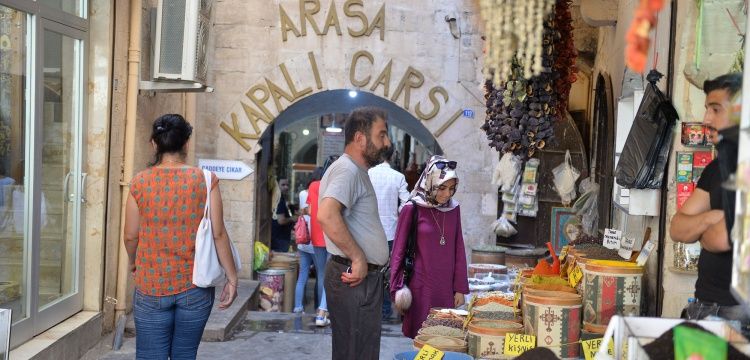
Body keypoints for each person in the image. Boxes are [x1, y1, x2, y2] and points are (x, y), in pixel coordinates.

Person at [124, 114, 238, 359]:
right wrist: (232, 277)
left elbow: (130, 236)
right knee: (185, 354)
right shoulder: (205, 180)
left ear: (154, 144)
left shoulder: (139, 182)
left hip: (150, 284)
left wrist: (134, 261)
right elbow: (218, 234)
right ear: (186, 143)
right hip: (194, 287)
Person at [670, 73, 749, 332]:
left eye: (716, 109)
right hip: (704, 307)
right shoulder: (717, 168)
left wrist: (704, 228)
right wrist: (712, 217)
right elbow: (677, 228)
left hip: (739, 317)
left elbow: (723, 238)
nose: (706, 119)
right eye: (707, 109)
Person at [317, 107, 391, 360]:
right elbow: (327, 215)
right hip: (354, 279)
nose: (387, 142)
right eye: (381, 135)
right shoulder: (347, 170)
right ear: (360, 138)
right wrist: (358, 258)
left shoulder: (355, 171)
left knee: (360, 352)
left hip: (360, 281)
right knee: (355, 353)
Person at [389, 155, 469, 338]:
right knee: (422, 337)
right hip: (421, 287)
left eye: (451, 188)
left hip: (446, 288)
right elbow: (398, 251)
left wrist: (459, 288)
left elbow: (459, 248)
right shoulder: (412, 208)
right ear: (430, 182)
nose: (447, 194)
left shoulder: (453, 209)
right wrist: (396, 288)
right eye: (442, 188)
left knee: (444, 337)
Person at [367, 146, 410, 321]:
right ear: (391, 158)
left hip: (369, 231)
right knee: (386, 273)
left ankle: (370, 308)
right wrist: (397, 214)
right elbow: (407, 203)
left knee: (370, 271)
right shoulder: (398, 177)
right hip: (391, 232)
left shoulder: (368, 174)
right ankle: (385, 310)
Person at [294, 169, 330, 327]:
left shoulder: (309, 190)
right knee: (326, 276)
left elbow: (307, 210)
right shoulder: (329, 186)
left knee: (307, 275)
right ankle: (321, 310)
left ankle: (298, 307)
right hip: (325, 236)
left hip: (309, 238)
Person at [271, 178, 296, 252]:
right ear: (277, 186)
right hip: (280, 239)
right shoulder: (279, 200)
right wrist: (292, 218)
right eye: (283, 185)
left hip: (277, 237)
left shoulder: (278, 198)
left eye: (287, 185)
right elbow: (281, 221)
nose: (286, 187)